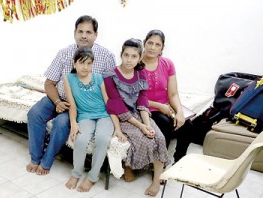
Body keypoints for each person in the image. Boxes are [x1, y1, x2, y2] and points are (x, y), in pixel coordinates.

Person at [26, 15, 116, 175]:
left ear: (96, 35)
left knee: (61, 123)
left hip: (81, 105)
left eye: (89, 32)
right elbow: (49, 83)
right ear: (74, 33)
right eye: (80, 31)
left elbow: (110, 87)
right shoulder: (64, 53)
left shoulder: (106, 56)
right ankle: (35, 157)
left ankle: (46, 161)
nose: (84, 35)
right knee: (34, 113)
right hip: (58, 98)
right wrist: (56, 101)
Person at [103, 38, 170, 197]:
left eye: (134, 56)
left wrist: (147, 124)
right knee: (142, 139)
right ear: (121, 54)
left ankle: (156, 180)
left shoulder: (140, 73)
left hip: (140, 114)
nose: (129, 59)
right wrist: (141, 127)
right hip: (121, 116)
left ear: (140, 57)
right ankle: (129, 167)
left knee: (159, 137)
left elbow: (143, 100)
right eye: (126, 55)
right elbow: (117, 105)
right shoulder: (110, 76)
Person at [63, 47, 114, 192]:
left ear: (93, 64)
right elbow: (72, 105)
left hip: (104, 115)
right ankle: (76, 173)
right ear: (74, 63)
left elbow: (108, 102)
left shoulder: (99, 78)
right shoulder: (68, 79)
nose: (85, 67)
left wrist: (117, 126)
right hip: (85, 116)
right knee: (80, 139)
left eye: (89, 63)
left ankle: (92, 177)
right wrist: (73, 123)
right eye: (82, 63)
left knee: (102, 139)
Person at [142, 29, 194, 164]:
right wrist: (159, 106)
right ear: (144, 43)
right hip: (146, 108)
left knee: (188, 125)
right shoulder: (136, 64)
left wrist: (180, 112)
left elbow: (173, 93)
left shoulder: (168, 64)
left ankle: (179, 161)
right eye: (150, 43)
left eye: (157, 45)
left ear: (162, 48)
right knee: (165, 125)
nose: (153, 47)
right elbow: (134, 97)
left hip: (166, 106)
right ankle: (159, 165)